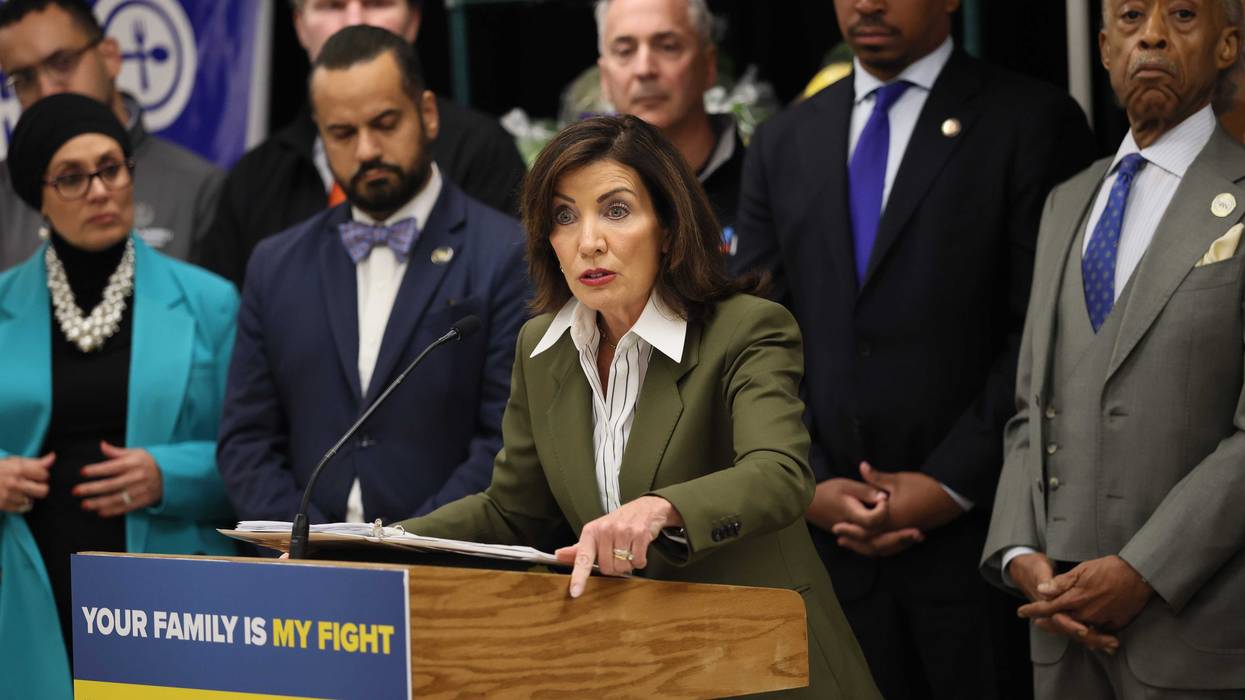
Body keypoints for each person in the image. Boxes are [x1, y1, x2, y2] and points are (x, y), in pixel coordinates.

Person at [395, 114, 880, 699]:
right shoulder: (541, 348)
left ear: (670, 228)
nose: (588, 240)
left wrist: (658, 508)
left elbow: (779, 476)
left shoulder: (748, 329)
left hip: (766, 664)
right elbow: (512, 511)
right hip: (638, 670)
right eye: (563, 216)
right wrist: (378, 545)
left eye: (616, 210)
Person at [729, 0, 1097, 697]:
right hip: (824, 551)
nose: (867, 3)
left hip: (977, 544)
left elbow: (1044, 333)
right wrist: (802, 479)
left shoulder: (1031, 121)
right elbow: (754, 336)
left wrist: (948, 484)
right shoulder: (783, 140)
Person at [982, 0, 1245, 697]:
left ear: (1227, 46)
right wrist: (1016, 554)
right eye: (1130, 16)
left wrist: (1143, 571)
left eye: (1182, 14)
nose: (1151, 34)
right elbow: (1028, 409)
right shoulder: (1066, 202)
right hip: (1058, 633)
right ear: (1102, 48)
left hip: (1197, 641)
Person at [216, 27, 526, 528]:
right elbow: (246, 443)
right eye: (342, 133)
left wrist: (408, 543)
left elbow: (508, 440)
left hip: (454, 567)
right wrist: (314, 545)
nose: (366, 150)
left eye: (385, 124)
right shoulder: (275, 264)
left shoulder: (508, 253)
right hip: (308, 573)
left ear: (427, 114)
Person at [0, 93, 238, 700]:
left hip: (171, 589)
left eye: (111, 167)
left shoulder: (211, 302)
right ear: (38, 197)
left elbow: (254, 457)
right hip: (25, 589)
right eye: (72, 178)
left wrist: (171, 474)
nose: (101, 190)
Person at [196, 0, 527, 288]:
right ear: (299, 25)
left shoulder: (483, 149)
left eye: (378, 3)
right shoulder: (254, 179)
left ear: (413, 20)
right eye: (332, 5)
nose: (354, 20)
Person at [0, 0, 223, 270]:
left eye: (62, 62)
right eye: (23, 79)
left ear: (110, 57)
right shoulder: (6, 194)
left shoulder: (198, 188)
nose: (47, 90)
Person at [595, 0, 744, 246]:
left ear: (708, 66)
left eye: (668, 47)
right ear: (604, 78)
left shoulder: (761, 185)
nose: (644, 69)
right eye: (625, 51)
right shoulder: (582, 200)